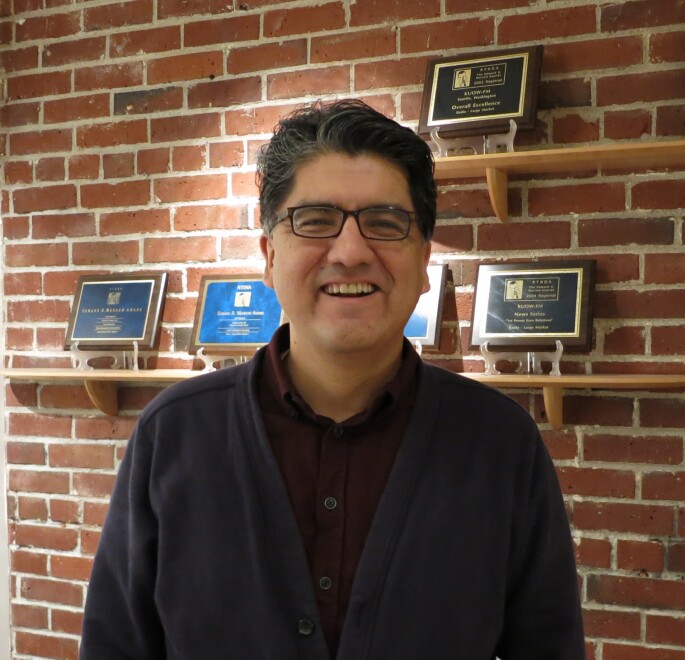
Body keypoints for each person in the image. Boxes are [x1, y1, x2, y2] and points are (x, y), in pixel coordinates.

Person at [79, 99, 585, 659]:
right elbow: (116, 645)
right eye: (315, 221)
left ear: (423, 263)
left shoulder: (500, 444)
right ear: (269, 257)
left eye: (385, 224)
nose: (349, 252)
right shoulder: (173, 434)